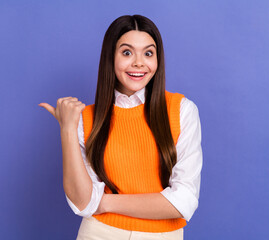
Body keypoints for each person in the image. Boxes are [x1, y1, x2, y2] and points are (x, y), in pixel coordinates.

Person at [39, 14, 202, 240]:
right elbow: (82, 202)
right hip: (98, 234)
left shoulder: (182, 110)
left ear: (158, 59)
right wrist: (67, 128)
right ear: (110, 58)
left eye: (148, 53)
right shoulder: (86, 118)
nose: (138, 62)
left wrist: (103, 202)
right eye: (127, 52)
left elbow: (184, 201)